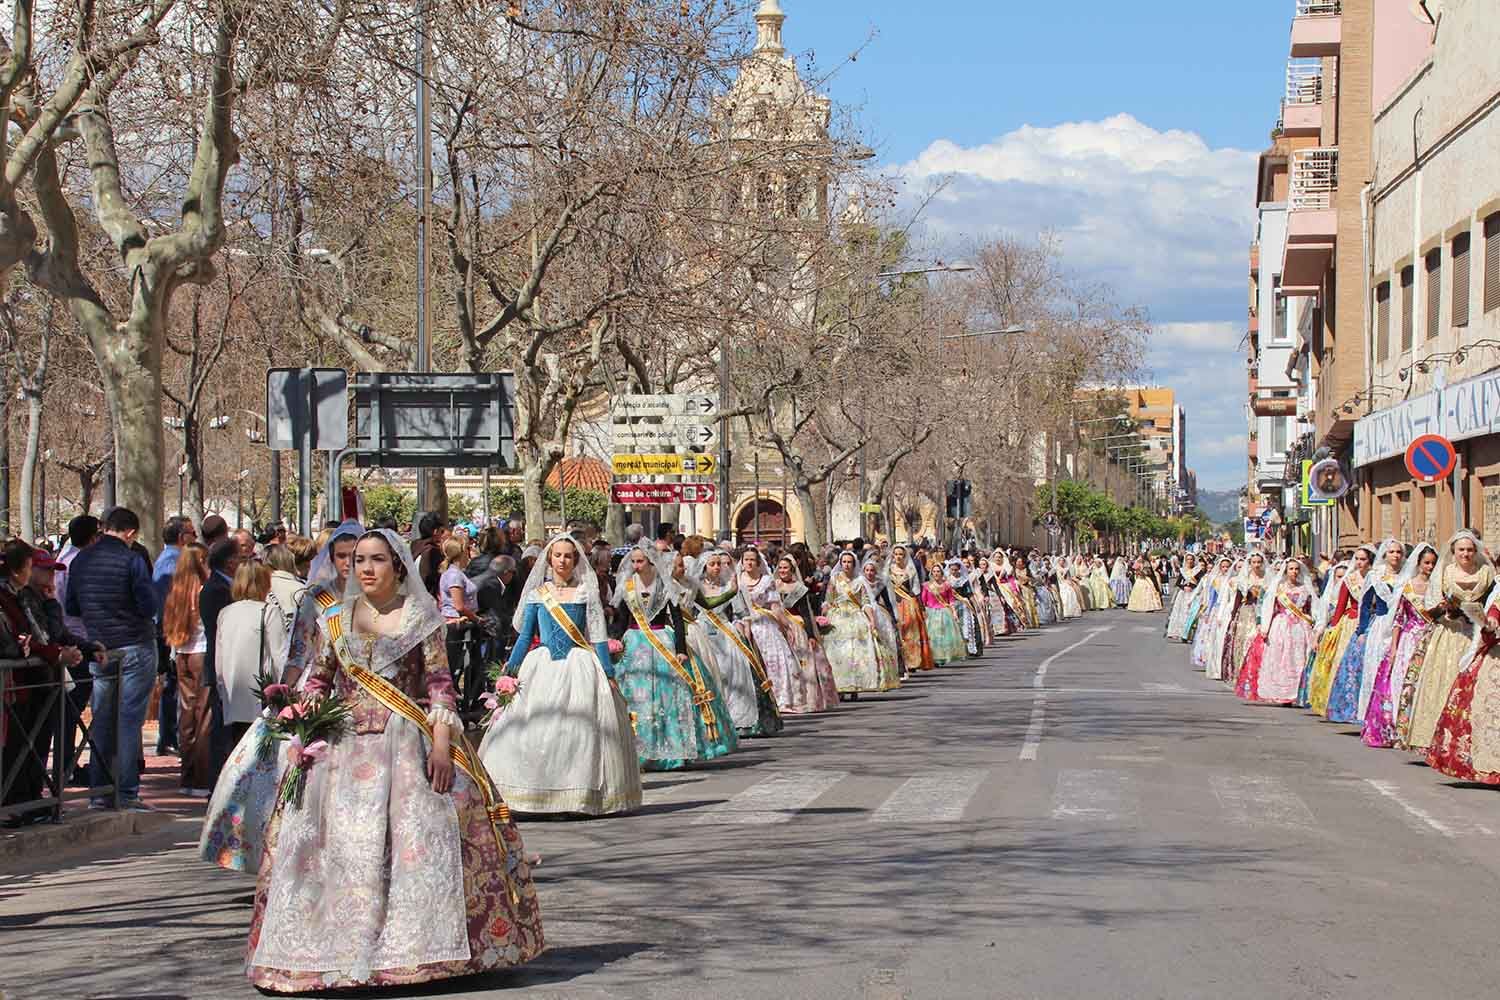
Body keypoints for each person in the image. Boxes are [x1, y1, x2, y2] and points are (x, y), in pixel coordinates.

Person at [246, 530, 544, 991]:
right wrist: (300, 727)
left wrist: (442, 746)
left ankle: (417, 951)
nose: (366, 568)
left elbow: (440, 686)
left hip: (407, 741)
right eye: (360, 560)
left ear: (398, 567)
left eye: (377, 560)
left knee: (417, 843)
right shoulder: (336, 621)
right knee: (335, 848)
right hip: (340, 749)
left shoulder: (421, 617)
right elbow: (318, 682)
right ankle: (327, 951)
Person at [199, 521, 361, 874]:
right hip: (316, 690)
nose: (349, 563)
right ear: (331, 559)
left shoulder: (376, 599)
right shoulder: (314, 597)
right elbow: (299, 651)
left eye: (356, 556)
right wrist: (284, 693)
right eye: (342, 556)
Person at [478, 533, 642, 815]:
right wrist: (510, 670)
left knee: (577, 733)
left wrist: (608, 672)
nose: (562, 561)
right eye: (557, 555)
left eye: (568, 556)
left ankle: (574, 797)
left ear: (575, 560)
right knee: (534, 731)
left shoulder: (586, 592)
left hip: (578, 666)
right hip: (541, 667)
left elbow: (599, 636)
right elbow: (525, 635)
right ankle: (535, 794)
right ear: (549, 559)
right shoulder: (537, 595)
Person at [610, 542, 738, 769]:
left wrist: (680, 649)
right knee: (636, 699)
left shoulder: (666, 586)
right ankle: (639, 751)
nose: (636, 566)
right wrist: (616, 641)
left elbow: (677, 620)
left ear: (651, 563)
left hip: (663, 642)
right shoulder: (627, 586)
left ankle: (672, 750)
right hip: (634, 643)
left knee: (668, 698)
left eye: (640, 561)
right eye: (633, 561)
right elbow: (621, 618)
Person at [65, 506, 159, 811]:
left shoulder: (81, 560)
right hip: (135, 645)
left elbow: (73, 606)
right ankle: (126, 791)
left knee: (102, 720)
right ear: (130, 533)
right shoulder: (132, 560)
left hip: (100, 647)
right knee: (129, 721)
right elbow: (148, 605)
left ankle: (99, 792)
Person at [0, 541, 87, 825]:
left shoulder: (26, 598)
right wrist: (52, 651)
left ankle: (30, 800)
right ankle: (18, 802)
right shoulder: (15, 598)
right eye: (41, 570)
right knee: (18, 746)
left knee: (32, 745)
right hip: (20, 683)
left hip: (37, 682)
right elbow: (32, 638)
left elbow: (48, 635)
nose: (51, 577)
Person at [1397, 530, 1495, 751]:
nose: (1466, 554)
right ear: (1454, 551)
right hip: (1449, 634)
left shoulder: (1486, 573)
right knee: (1443, 681)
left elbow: (1491, 602)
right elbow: (1432, 606)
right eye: (1461, 550)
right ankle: (1436, 738)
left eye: (1470, 549)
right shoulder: (1445, 572)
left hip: (1476, 635)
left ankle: (1468, 740)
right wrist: (1446, 609)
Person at [1362, 544, 1438, 747]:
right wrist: (1394, 647)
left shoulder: (1439, 588)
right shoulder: (1408, 587)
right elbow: (1398, 619)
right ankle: (1397, 726)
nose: (1430, 567)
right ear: (1418, 564)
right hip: (1409, 641)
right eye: (1426, 563)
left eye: (1433, 563)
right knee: (1401, 683)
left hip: (1431, 640)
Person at [1325, 538, 1405, 723]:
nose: (1395, 555)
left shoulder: (1406, 576)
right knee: (1375, 668)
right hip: (1380, 625)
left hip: (1401, 627)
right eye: (1392, 552)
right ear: (1384, 555)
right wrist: (1361, 631)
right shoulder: (1375, 576)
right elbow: (1365, 604)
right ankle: (1375, 715)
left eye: (1398, 552)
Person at [161, 543, 213, 795]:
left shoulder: (177, 590)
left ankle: (187, 775)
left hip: (181, 654)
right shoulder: (204, 590)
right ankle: (201, 778)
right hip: (201, 653)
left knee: (187, 716)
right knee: (203, 716)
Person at [214, 561, 284, 750]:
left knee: (236, 750)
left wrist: (222, 689)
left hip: (231, 693)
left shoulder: (225, 613)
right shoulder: (269, 612)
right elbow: (280, 656)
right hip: (260, 694)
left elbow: (219, 660)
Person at [822, 549, 897, 698]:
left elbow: (865, 602)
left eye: (849, 562)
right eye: (844, 562)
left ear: (854, 563)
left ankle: (856, 685)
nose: (846, 565)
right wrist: (823, 616)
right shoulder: (834, 579)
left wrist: (872, 620)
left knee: (857, 653)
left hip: (856, 617)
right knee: (838, 653)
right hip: (838, 617)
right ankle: (839, 686)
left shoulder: (860, 581)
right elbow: (828, 600)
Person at [1240, 559, 1317, 705]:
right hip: (1280, 625)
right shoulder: (1278, 588)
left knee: (1298, 657)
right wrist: (1264, 627)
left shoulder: (1305, 588)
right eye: (1291, 569)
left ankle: (1297, 693)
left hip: (1299, 627)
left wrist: (1311, 618)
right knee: (1281, 658)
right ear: (1285, 571)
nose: (1294, 572)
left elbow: (1312, 607)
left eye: (1296, 569)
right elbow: (1268, 607)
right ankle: (1281, 692)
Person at [152, 516, 197, 756]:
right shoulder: (172, 564)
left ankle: (168, 737)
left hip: (170, 631)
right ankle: (169, 737)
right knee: (172, 687)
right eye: (192, 533)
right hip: (172, 633)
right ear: (182, 537)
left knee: (173, 687)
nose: (195, 537)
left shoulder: (169, 561)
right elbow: (165, 604)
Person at [199, 539, 239, 775]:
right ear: (230, 562)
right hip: (221, 664)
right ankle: (216, 779)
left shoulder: (221, 586)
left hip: (225, 663)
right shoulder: (217, 589)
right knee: (221, 730)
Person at [886, 545, 934, 673]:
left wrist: (920, 606)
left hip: (908, 604)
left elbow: (915, 590)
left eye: (901, 554)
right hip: (893, 603)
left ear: (905, 556)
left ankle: (912, 661)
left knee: (910, 634)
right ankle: (899, 662)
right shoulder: (888, 571)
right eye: (896, 554)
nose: (898, 557)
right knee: (897, 633)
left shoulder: (910, 571)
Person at [410, 511, 448, 599]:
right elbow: (432, 577)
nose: (441, 535)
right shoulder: (433, 551)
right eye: (441, 531)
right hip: (427, 598)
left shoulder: (414, 545)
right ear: (435, 531)